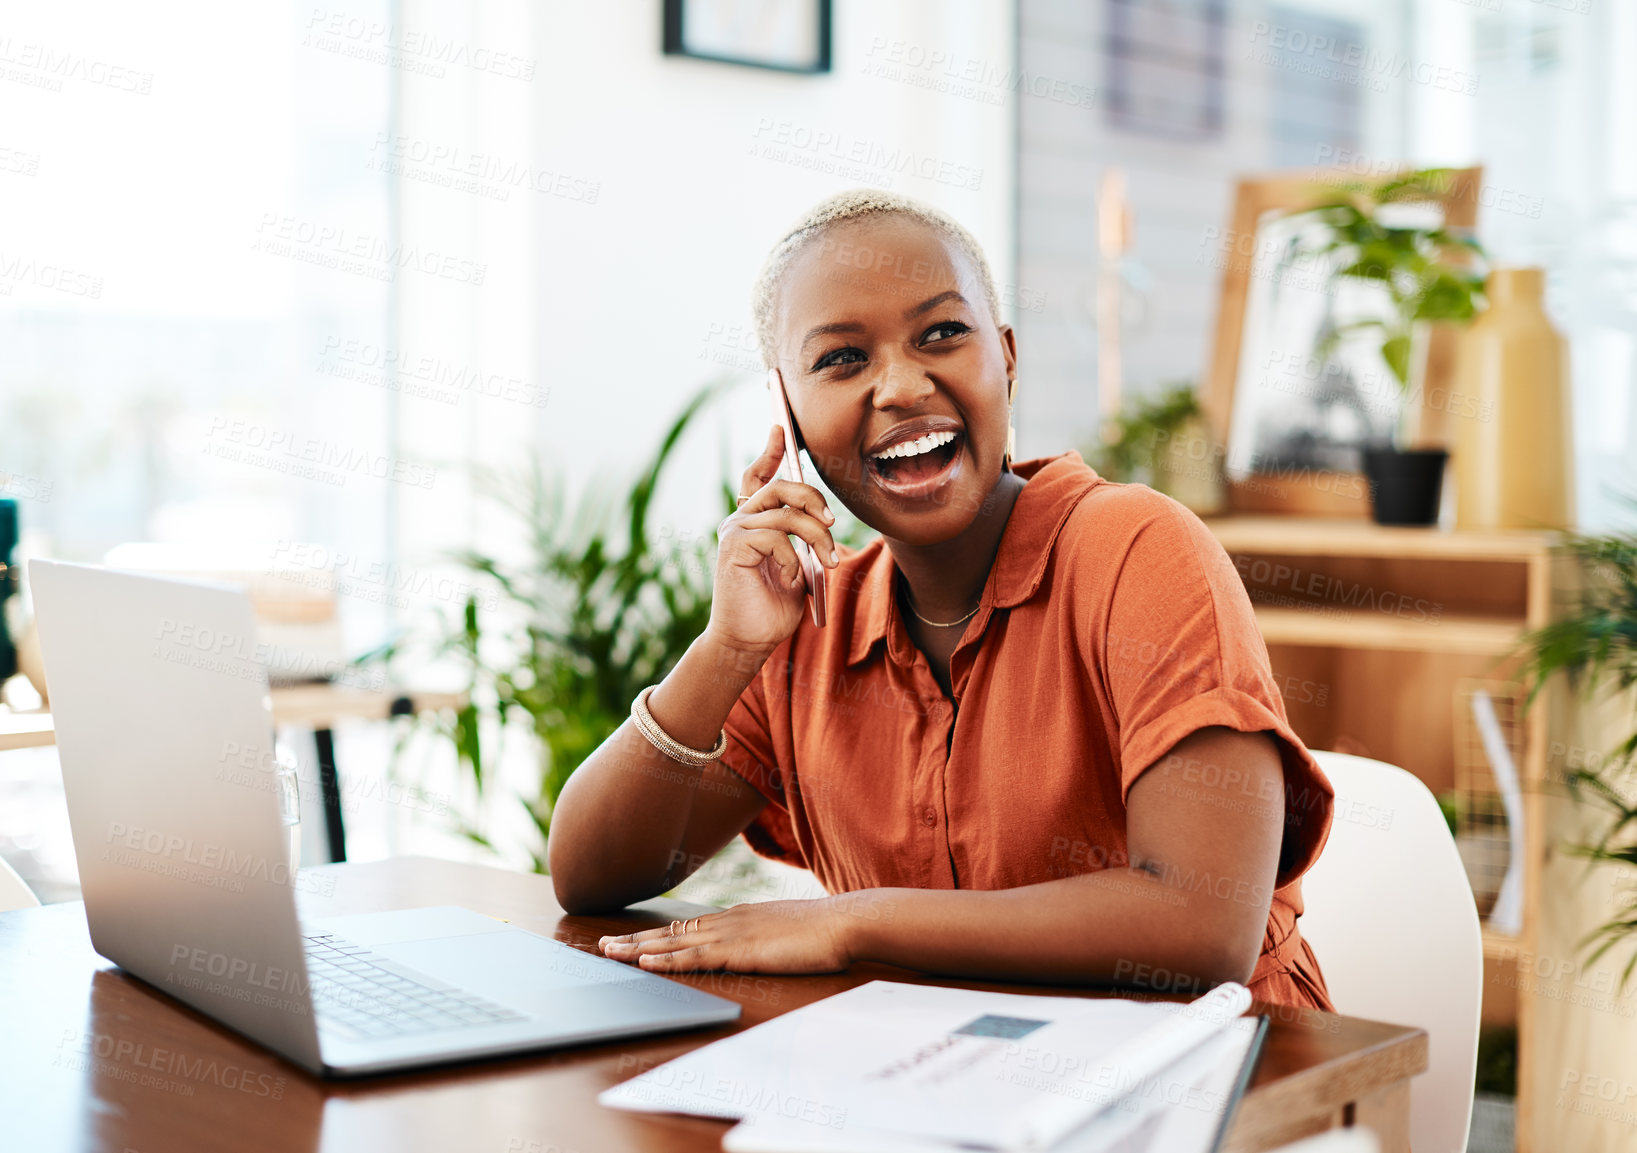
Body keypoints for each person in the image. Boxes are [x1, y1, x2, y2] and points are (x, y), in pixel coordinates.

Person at [547, 190, 1333, 1010]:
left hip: (1218, 1084)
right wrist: (727, 649)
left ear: (1007, 359)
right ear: (789, 413)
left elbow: (1200, 925)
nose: (899, 384)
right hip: (946, 1082)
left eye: (941, 333)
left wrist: (855, 922)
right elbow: (592, 876)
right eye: (841, 360)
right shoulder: (810, 624)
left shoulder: (1138, 548)